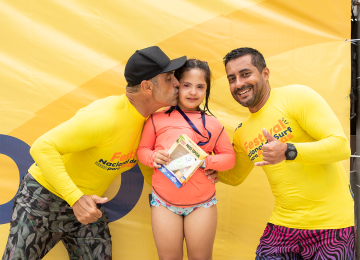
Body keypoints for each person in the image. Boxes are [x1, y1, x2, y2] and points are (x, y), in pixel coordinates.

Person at [2, 46, 189, 260]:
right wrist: (75, 198)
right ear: (147, 86)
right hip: (43, 199)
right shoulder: (106, 117)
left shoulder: (155, 123)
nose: (177, 83)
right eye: (168, 78)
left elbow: (150, 170)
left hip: (89, 206)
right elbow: (42, 147)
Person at [218, 47, 355, 259]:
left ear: (265, 73)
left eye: (245, 74)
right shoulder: (242, 132)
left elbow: (340, 146)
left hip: (331, 227)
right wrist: (202, 165)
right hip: (282, 226)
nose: (238, 84)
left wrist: (289, 151)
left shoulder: (297, 96)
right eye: (231, 78)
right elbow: (235, 176)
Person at [137, 59, 236, 260]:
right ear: (176, 85)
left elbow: (229, 158)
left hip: (202, 205)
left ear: (206, 90)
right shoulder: (156, 119)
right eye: (186, 86)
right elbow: (142, 150)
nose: (193, 92)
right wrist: (153, 157)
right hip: (164, 204)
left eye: (200, 87)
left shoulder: (213, 124)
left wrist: (206, 161)